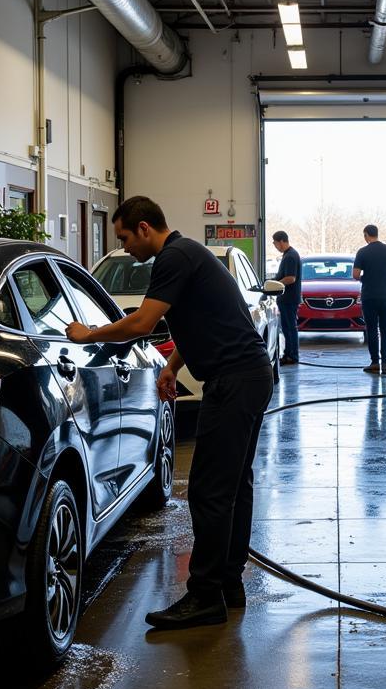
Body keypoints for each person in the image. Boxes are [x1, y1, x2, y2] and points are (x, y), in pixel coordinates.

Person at [65, 196, 273, 631]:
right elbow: (200, 320)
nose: (124, 248)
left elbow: (141, 323)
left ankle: (203, 596)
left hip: (234, 382)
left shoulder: (173, 257)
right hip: (247, 376)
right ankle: (228, 586)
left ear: (144, 228)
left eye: (124, 237)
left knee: (208, 491)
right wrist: (172, 367)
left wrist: (87, 335)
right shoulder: (188, 253)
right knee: (234, 484)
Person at [352, 224, 386, 375]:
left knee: (372, 329)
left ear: (366, 235)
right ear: (377, 234)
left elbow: (355, 275)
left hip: (369, 296)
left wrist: (365, 278)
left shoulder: (362, 252)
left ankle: (375, 363)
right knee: (385, 329)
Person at [271, 230, 301, 365]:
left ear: (282, 241)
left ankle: (292, 356)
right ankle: (289, 353)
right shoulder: (288, 255)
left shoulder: (290, 256)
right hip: (287, 299)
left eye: (275, 243)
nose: (275, 246)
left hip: (289, 299)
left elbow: (290, 278)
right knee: (288, 327)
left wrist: (276, 284)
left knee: (289, 328)